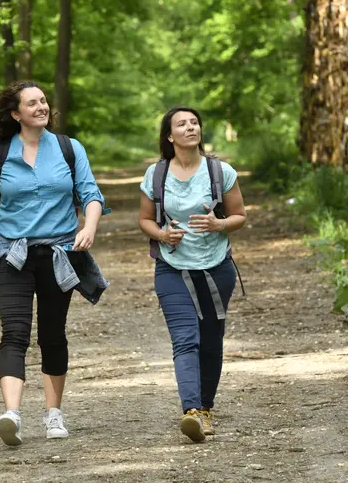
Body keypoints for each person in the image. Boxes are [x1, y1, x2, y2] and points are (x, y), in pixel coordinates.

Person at [0, 80, 109, 447]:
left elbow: (90, 194)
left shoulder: (70, 149)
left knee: (53, 335)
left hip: (59, 254)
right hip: (13, 255)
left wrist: (89, 226)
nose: (42, 107)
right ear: (15, 113)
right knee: (15, 333)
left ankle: (53, 414)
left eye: (44, 101)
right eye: (32, 103)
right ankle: (12, 415)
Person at [138, 106, 246, 442]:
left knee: (211, 343)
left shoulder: (220, 171)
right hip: (171, 268)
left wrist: (219, 224)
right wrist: (162, 235)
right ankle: (192, 412)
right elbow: (144, 220)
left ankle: (207, 408)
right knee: (186, 339)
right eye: (182, 124)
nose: (190, 128)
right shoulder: (156, 175)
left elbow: (239, 216)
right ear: (170, 136)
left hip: (217, 268)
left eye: (195, 122)